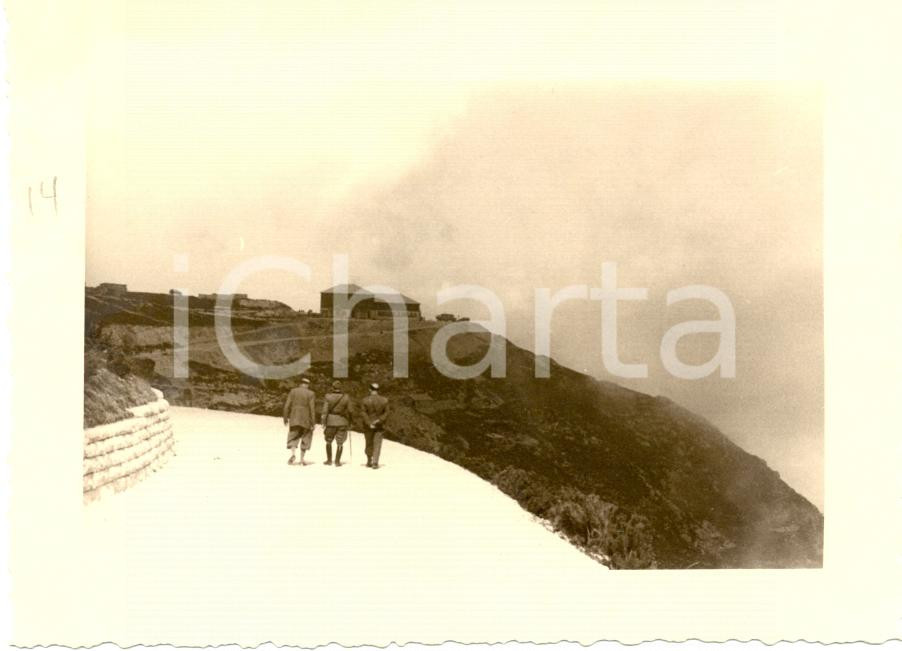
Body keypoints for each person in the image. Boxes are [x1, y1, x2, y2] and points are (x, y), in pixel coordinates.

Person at [283, 376, 316, 465]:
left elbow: (287, 406)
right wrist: (313, 422)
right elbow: (312, 409)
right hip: (306, 419)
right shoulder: (311, 393)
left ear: (300, 383)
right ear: (307, 384)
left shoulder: (293, 391)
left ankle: (293, 454)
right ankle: (302, 459)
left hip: (294, 417)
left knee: (293, 436)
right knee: (306, 437)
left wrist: (285, 417)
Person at [321, 380, 352, 466]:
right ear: (340, 387)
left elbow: (324, 411)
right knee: (340, 442)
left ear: (333, 387)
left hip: (330, 421)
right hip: (342, 421)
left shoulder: (328, 396)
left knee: (328, 441)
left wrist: (323, 422)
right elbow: (350, 411)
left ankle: (329, 460)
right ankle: (337, 461)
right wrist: (350, 421)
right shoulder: (346, 397)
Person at [361, 382, 389, 469]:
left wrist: (369, 423)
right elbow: (387, 413)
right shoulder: (385, 400)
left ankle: (369, 460)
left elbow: (363, 412)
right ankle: (375, 462)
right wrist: (379, 420)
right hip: (379, 425)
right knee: (377, 443)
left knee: (368, 442)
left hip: (368, 426)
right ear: (378, 390)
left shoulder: (364, 400)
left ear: (370, 389)